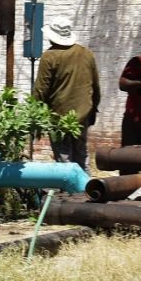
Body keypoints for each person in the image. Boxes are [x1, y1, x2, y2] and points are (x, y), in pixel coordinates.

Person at [32, 15, 100, 167]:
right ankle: (85, 188)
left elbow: (40, 90)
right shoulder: (86, 53)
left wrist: (33, 116)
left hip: (59, 118)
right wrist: (93, 109)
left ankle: (69, 190)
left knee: (64, 161)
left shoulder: (49, 56)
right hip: (83, 115)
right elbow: (95, 86)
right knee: (81, 157)